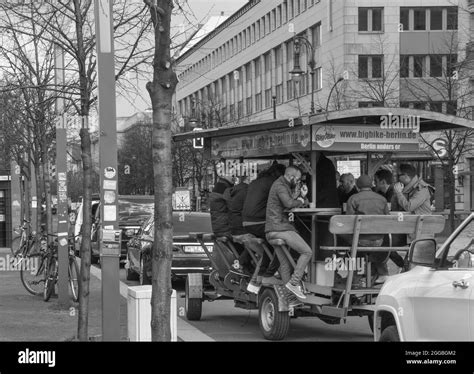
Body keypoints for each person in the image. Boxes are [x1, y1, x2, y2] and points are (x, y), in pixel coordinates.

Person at [265, 165, 311, 299]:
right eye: (297, 179)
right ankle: (294, 283)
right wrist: (301, 199)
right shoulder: (280, 186)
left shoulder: (282, 185)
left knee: (284, 263)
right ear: (291, 176)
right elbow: (289, 203)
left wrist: (301, 195)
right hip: (280, 227)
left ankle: (288, 297)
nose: (297, 182)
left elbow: (291, 200)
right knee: (307, 251)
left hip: (273, 228)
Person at [242, 163, 285, 279]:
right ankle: (268, 272)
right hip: (259, 222)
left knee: (270, 241)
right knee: (280, 240)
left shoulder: (255, 182)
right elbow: (283, 201)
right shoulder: (274, 183)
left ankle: (250, 265)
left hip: (246, 223)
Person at [346, 174, 390, 284]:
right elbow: (388, 219)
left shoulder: (353, 199)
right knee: (373, 245)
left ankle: (355, 276)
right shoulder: (382, 199)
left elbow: (348, 221)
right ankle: (379, 273)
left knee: (345, 239)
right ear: (372, 185)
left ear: (357, 185)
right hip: (379, 240)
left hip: (360, 241)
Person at [374, 168, 406, 269]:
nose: (374, 184)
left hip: (398, 232)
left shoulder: (394, 195)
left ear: (383, 182)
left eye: (376, 181)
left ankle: (382, 272)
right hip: (391, 230)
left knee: (379, 243)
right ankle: (402, 266)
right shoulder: (381, 193)